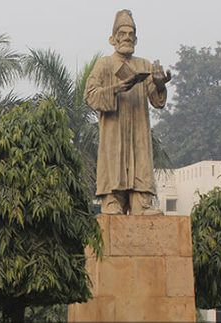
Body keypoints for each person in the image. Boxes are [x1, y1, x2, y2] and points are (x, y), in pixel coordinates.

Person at [85, 9, 172, 215]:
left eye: (131, 34)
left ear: (136, 38)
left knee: (140, 160)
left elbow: (156, 100)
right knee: (113, 161)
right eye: (122, 33)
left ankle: (140, 202)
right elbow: (90, 95)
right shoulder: (104, 65)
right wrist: (116, 88)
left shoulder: (144, 65)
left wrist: (159, 84)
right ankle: (112, 200)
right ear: (112, 39)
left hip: (138, 128)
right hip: (113, 128)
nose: (127, 37)